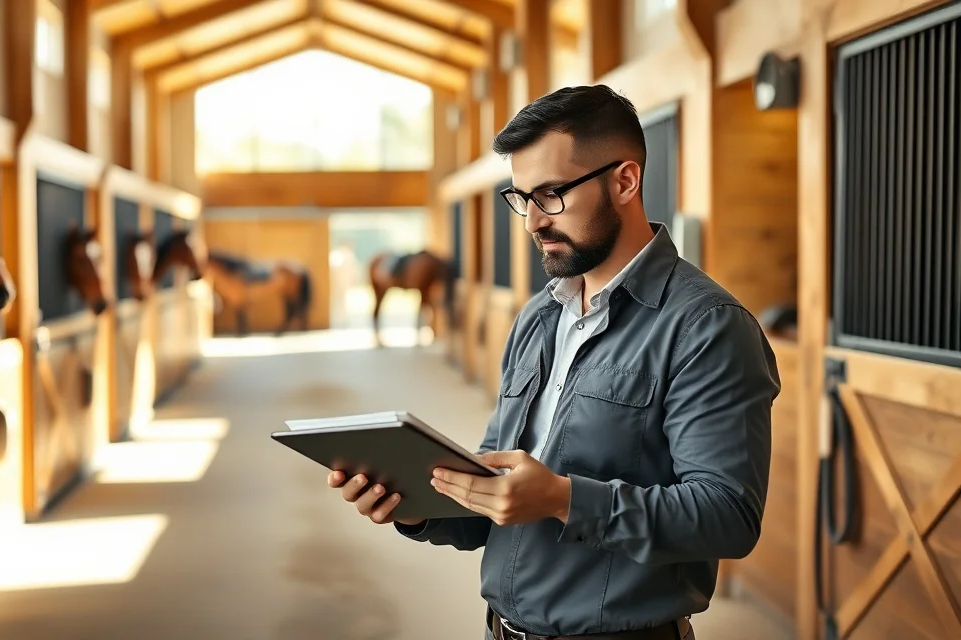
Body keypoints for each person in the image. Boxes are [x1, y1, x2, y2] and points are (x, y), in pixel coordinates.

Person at [327, 85, 781, 640]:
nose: (532, 223)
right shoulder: (538, 317)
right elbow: (502, 485)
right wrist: (417, 506)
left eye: (551, 195)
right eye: (521, 198)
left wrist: (565, 499)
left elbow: (726, 517)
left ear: (625, 181)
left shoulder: (706, 326)